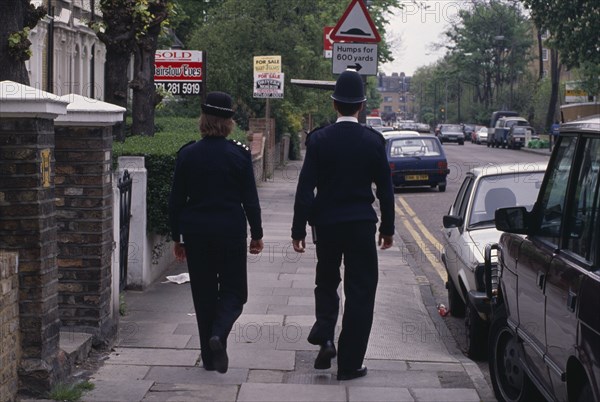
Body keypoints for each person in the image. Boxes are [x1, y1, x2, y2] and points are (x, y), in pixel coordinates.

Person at [291, 70, 395, 381]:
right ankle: (350, 364)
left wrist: (298, 230)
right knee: (361, 291)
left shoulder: (319, 139)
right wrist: (387, 229)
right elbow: (386, 190)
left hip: (327, 225)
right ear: (361, 105)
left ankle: (325, 336)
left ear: (335, 104)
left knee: (326, 281)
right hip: (361, 226)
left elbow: (305, 188)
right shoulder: (374, 141)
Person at [168, 91, 264, 374]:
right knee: (235, 292)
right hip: (230, 232)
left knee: (204, 294)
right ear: (229, 122)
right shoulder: (239, 154)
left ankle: (209, 360)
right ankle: (218, 334)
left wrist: (178, 237)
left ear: (203, 119)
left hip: (196, 233)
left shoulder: (187, 154)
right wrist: (256, 234)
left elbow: (176, 201)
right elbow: (250, 199)